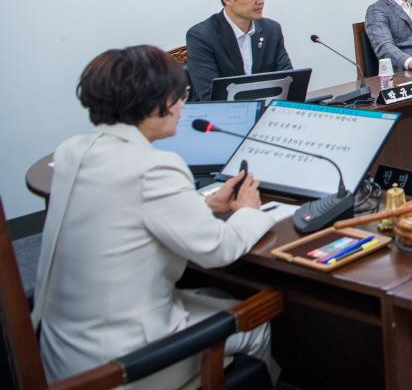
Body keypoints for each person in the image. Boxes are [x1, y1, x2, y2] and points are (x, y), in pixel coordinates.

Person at [32, 46, 278, 387]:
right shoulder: (154, 167)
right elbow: (218, 251)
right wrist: (250, 209)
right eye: (181, 96)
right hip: (121, 367)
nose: (183, 106)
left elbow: (122, 212)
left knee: (216, 297)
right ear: (156, 103)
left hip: (61, 353)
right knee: (255, 320)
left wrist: (204, 207)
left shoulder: (72, 151)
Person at [185, 0, 293, 101]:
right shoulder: (201, 36)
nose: (260, 0)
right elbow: (209, 96)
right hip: (220, 116)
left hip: (266, 111)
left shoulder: (271, 30)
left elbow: (289, 80)